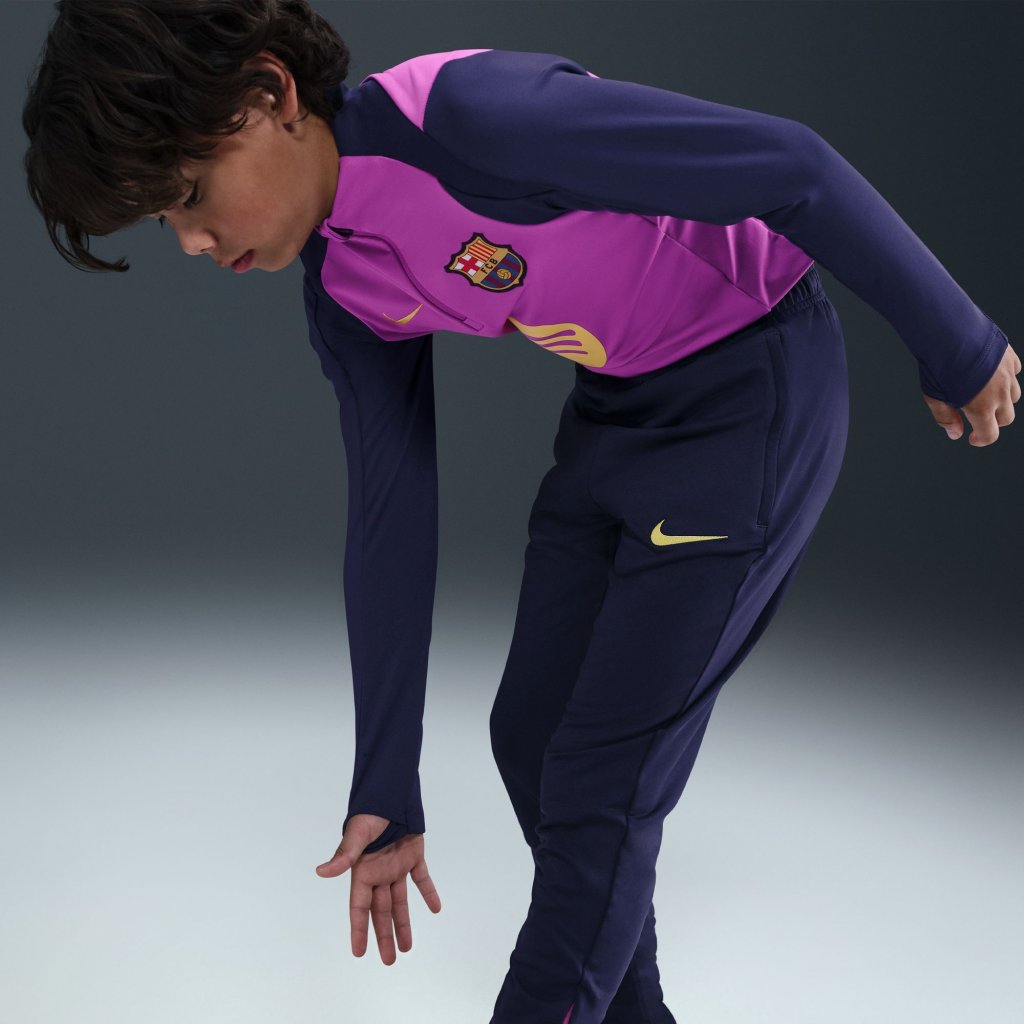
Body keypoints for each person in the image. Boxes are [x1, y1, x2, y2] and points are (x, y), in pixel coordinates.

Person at [21, 3, 1020, 1022]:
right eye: (165, 222)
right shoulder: (344, 283)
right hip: (623, 410)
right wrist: (385, 785)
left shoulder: (474, 118)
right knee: (534, 734)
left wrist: (956, 339)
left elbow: (792, 166)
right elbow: (390, 512)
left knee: (598, 782)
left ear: (271, 93)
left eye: (191, 194)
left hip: (755, 388)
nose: (193, 241)